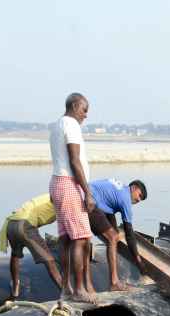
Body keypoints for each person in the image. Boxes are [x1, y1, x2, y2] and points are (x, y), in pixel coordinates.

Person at [49, 92, 95, 303]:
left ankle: (66, 288)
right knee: (81, 238)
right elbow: (75, 161)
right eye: (84, 110)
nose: (85, 115)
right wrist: (88, 192)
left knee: (66, 239)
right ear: (76, 106)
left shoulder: (57, 124)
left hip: (57, 183)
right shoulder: (72, 125)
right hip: (69, 184)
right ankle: (78, 290)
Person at [87, 178, 148, 290]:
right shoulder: (125, 199)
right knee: (112, 238)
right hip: (88, 200)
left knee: (113, 235)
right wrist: (138, 260)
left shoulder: (118, 190)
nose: (139, 200)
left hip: (83, 194)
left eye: (141, 199)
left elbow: (109, 211)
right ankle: (114, 282)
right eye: (139, 195)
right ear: (133, 188)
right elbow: (129, 233)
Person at [0, 193, 63, 297]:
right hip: (25, 226)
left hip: (11, 224)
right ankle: (65, 293)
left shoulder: (49, 196)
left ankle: (15, 288)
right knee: (49, 260)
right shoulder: (63, 201)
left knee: (15, 255)